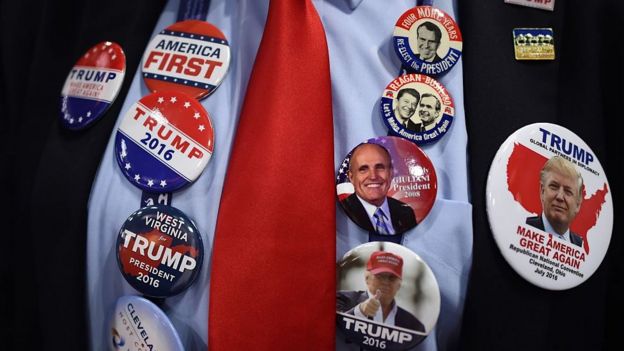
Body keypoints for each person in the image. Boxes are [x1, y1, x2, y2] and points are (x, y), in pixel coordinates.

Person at [337, 250, 425, 334]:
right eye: (380, 276)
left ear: (399, 285)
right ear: (367, 278)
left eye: (392, 278)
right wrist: (360, 311)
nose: (385, 282)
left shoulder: (414, 325)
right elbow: (331, 325)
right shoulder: (341, 298)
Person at [341, 143, 417, 234]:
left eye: (380, 167)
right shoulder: (342, 214)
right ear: (351, 177)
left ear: (391, 173)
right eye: (363, 169)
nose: (373, 176)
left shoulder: (406, 212)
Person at [526, 155, 584, 247]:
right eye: (554, 186)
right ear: (542, 191)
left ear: (578, 205)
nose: (560, 197)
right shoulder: (525, 227)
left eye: (568, 191)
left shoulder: (581, 246)